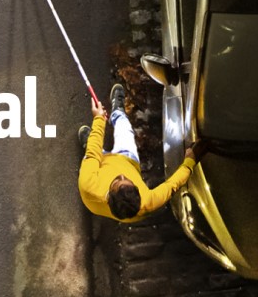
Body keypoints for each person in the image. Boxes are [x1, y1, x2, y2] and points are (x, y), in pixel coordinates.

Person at [78, 83, 204, 222]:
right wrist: (189, 162)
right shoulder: (147, 201)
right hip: (127, 159)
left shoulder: (88, 183)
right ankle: (118, 112)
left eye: (117, 181)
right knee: (124, 128)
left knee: (92, 151)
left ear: (109, 197)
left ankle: (89, 140)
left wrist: (99, 119)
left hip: (102, 162)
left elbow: (93, 153)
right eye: (128, 180)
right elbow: (172, 185)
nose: (122, 175)